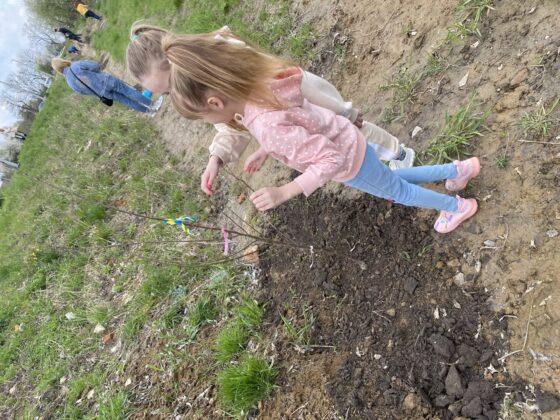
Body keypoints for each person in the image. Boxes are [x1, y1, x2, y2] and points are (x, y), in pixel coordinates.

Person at [163, 34, 481, 233]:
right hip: (349, 138)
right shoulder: (261, 86)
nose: (210, 122)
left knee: (397, 192)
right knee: (395, 179)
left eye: (205, 117)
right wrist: (264, 150)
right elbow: (295, 125)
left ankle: (455, 207)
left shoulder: (265, 125)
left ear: (214, 102)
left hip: (348, 161)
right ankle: (457, 170)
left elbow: (327, 160)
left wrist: (285, 191)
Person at [125, 24, 416, 197]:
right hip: (290, 119)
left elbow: (307, 86)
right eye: (165, 93)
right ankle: (386, 168)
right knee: (340, 147)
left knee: (355, 131)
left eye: (168, 88)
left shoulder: (224, 56)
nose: (173, 96)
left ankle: (400, 155)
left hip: (306, 102)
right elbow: (230, 124)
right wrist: (217, 157)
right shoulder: (200, 86)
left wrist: (344, 111)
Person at [51, 58, 163, 115]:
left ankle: (149, 112)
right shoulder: (76, 65)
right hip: (107, 81)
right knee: (129, 92)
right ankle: (152, 104)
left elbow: (84, 93)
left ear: (58, 70)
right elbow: (95, 66)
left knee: (127, 101)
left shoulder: (70, 83)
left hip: (103, 93)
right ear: (63, 62)